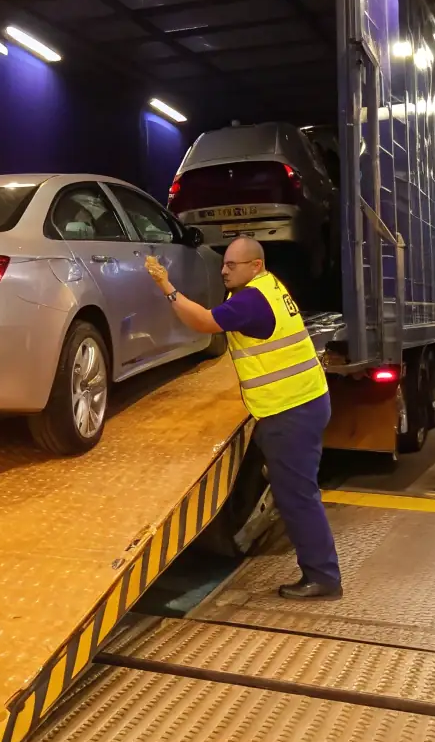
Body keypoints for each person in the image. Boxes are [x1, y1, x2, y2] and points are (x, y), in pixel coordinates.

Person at [144, 237, 341, 599]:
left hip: (290, 409)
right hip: (300, 403)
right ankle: (320, 568)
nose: (223, 270)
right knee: (293, 487)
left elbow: (203, 322)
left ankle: (323, 577)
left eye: (232, 265)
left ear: (255, 266)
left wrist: (165, 286)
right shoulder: (268, 285)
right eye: (224, 264)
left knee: (298, 497)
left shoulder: (252, 299)